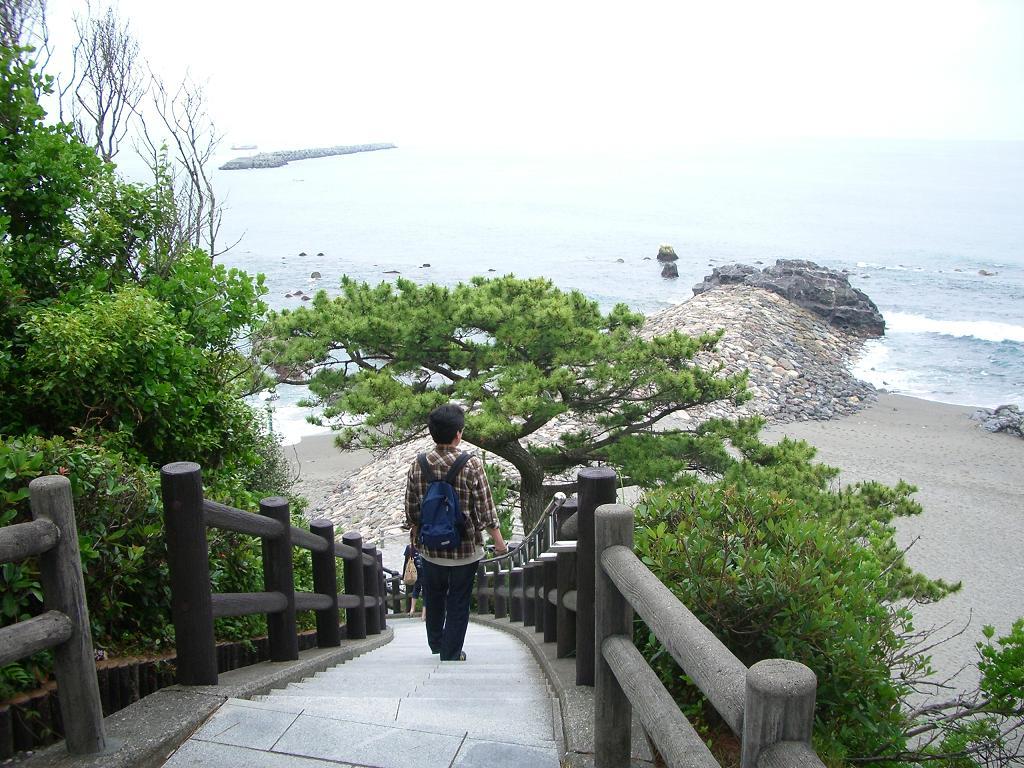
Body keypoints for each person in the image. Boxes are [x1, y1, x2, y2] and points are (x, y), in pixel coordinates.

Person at [404, 403, 508, 660]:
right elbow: (486, 509)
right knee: (458, 599)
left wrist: (416, 536)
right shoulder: (471, 464)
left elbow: (412, 509)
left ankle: (437, 643)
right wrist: (499, 542)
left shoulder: (418, 464)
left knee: (434, 596)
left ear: (432, 432)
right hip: (465, 548)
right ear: (458, 434)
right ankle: (451, 652)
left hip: (431, 548)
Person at [401, 542, 424, 615]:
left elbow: (406, 562)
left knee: (416, 589)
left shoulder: (409, 547)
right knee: (425, 591)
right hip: (422, 571)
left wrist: (404, 575)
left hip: (415, 572)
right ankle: (423, 613)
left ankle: (412, 610)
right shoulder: (425, 545)